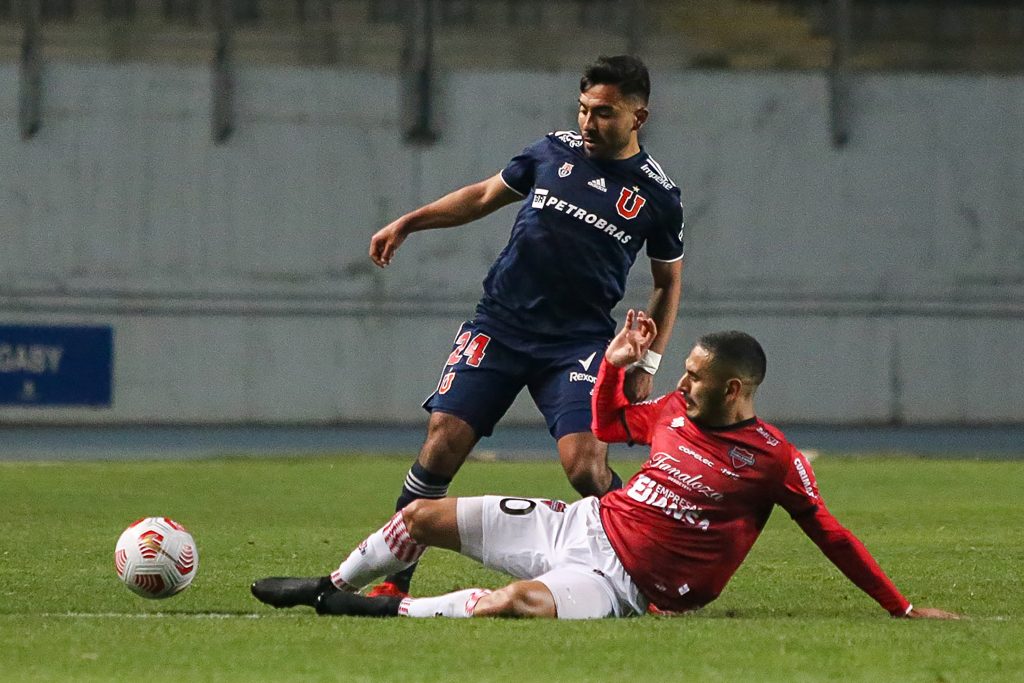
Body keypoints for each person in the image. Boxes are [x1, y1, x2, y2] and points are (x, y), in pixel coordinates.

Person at [250, 310, 958, 621]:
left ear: (735, 389)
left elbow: (830, 533)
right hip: (579, 524)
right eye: (682, 371)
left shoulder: (774, 459)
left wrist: (899, 607)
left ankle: (379, 611)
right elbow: (614, 423)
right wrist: (616, 368)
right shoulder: (675, 415)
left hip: (619, 582)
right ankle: (330, 584)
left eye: (695, 375)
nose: (682, 383)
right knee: (420, 517)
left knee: (516, 604)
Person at [363, 55, 685, 598]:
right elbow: (484, 196)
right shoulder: (551, 151)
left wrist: (646, 362)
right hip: (501, 325)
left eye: (604, 113)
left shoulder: (658, 196)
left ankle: (640, 571)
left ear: (639, 117)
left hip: (579, 343)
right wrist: (409, 221)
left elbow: (667, 284)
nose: (588, 122)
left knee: (585, 467)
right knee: (442, 444)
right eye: (583, 109)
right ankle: (395, 581)